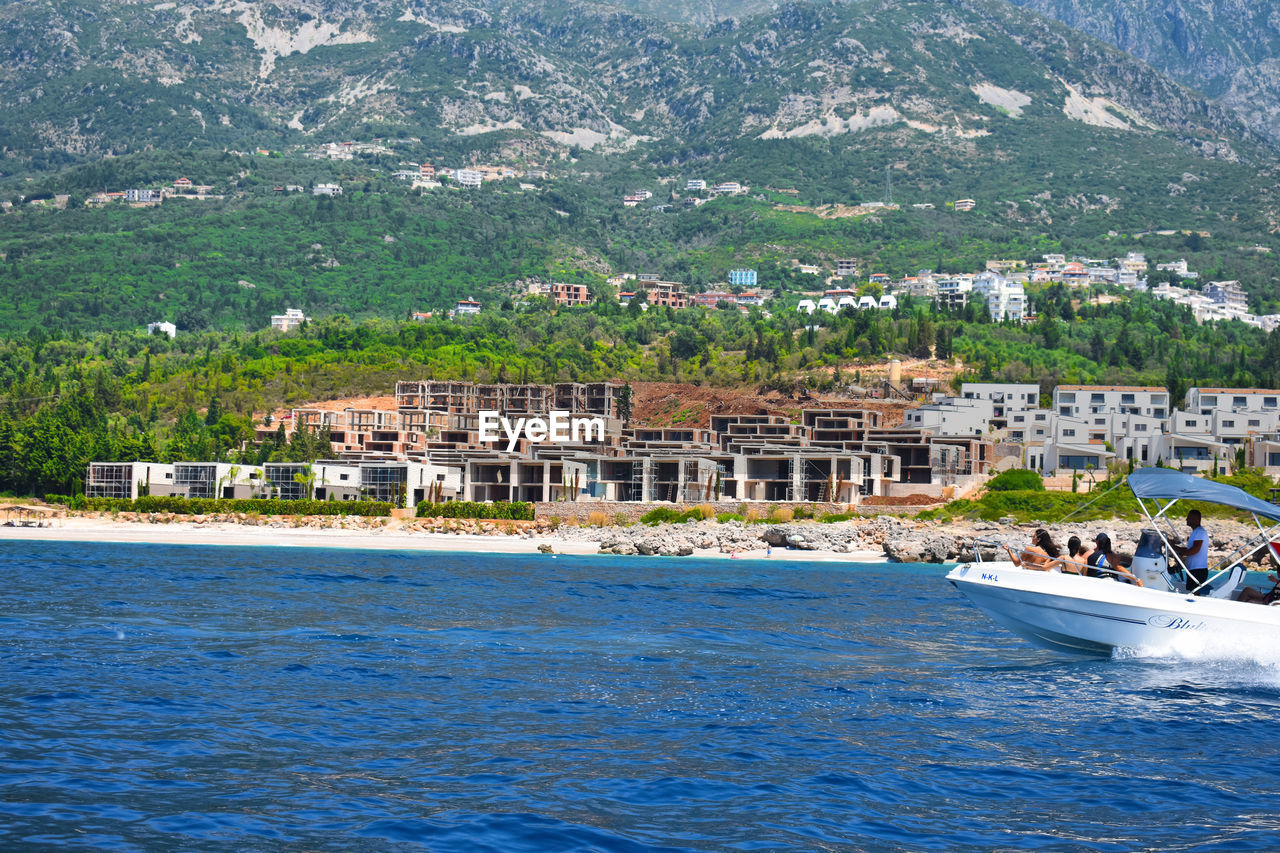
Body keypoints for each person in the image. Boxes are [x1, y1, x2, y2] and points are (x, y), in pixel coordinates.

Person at [1173, 510, 1209, 595]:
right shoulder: (1196, 532)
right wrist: (1179, 550)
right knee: (1192, 592)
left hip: (1198, 570)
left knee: (1194, 594)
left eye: (1189, 517)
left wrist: (1176, 549)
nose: (1186, 519)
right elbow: (1191, 549)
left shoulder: (1200, 532)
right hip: (1194, 569)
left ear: (1196, 519)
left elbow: (1195, 550)